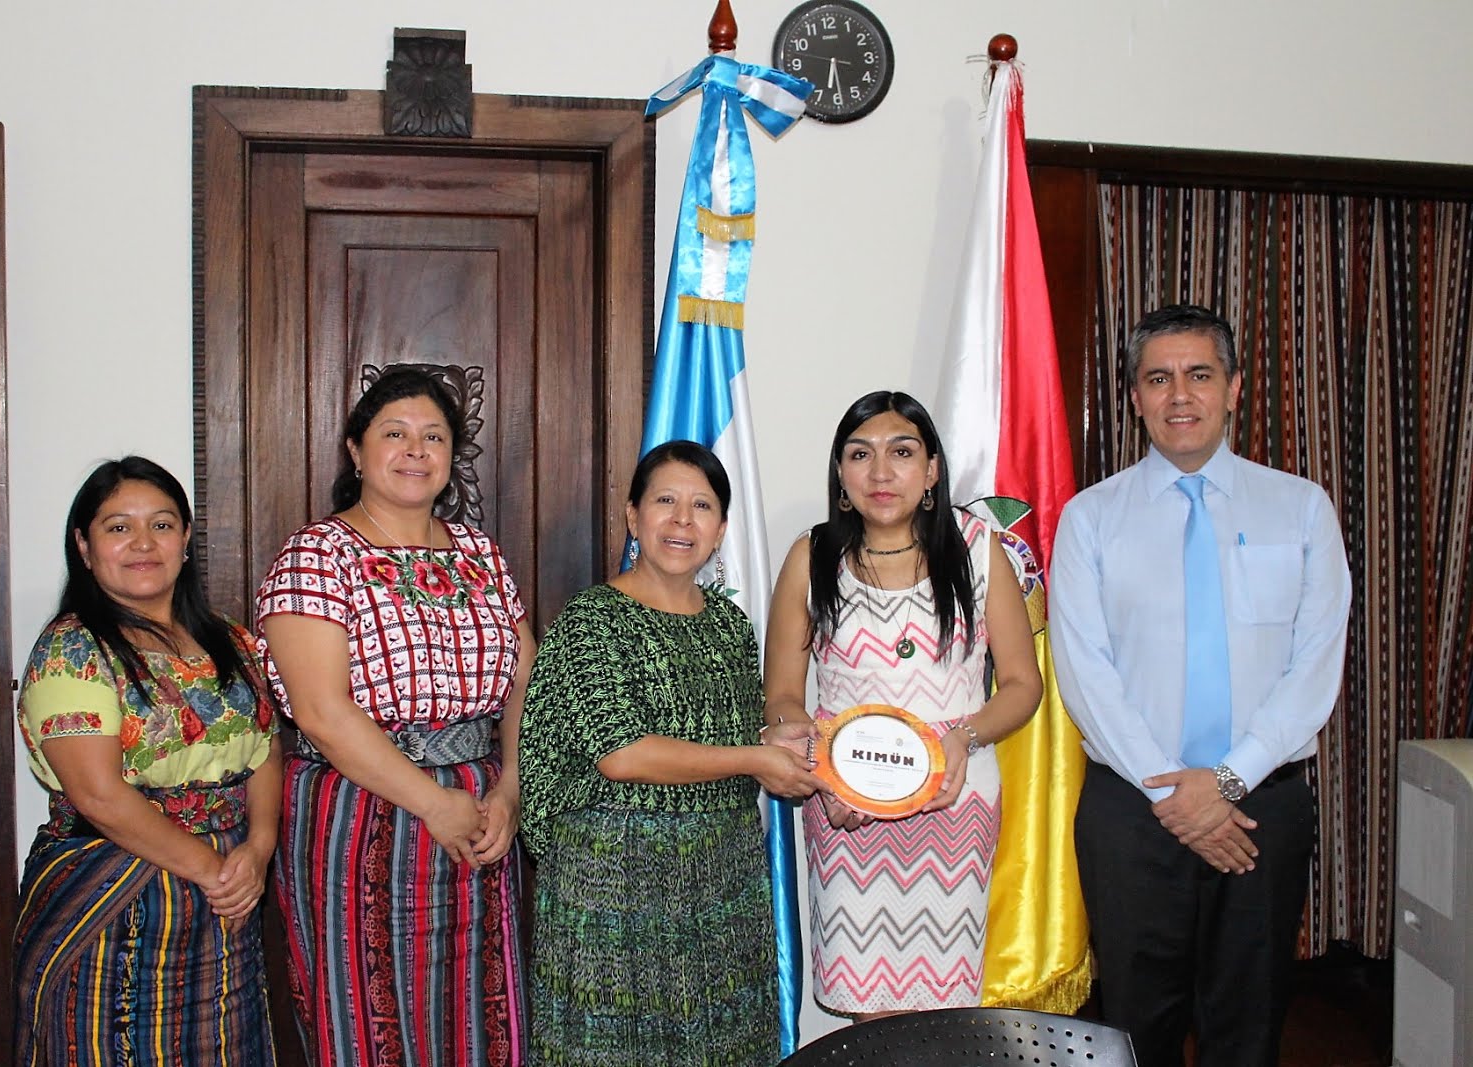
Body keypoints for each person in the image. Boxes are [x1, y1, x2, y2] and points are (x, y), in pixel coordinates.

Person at [1048, 304, 1351, 1067]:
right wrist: (1175, 796)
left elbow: (1313, 667)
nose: (1179, 395)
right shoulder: (1090, 519)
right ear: (1135, 398)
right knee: (1134, 1029)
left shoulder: (1301, 507)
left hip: (1263, 806)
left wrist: (1226, 780)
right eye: (1158, 378)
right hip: (1131, 812)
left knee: (1248, 1026)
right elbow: (1087, 674)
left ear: (1234, 387)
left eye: (1199, 374)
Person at [257, 367, 531, 1066]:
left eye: (433, 436)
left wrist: (509, 791)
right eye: (395, 433)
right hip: (361, 813)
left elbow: (527, 680)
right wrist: (432, 803)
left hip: (479, 817)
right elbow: (320, 711)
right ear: (356, 450)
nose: (416, 450)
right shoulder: (318, 553)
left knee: (479, 1018)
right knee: (367, 1017)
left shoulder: (481, 555)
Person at [518, 440, 822, 1066]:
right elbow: (621, 754)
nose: (682, 521)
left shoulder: (730, 624)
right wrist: (754, 760)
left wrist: (785, 749)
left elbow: (735, 739)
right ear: (633, 517)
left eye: (702, 506)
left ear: (721, 529)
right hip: (614, 882)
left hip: (721, 881)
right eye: (665, 502)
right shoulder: (593, 619)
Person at [763, 390, 1042, 1019]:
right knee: (872, 1021)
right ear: (840, 473)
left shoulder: (977, 548)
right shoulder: (812, 558)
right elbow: (782, 696)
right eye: (860, 454)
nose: (881, 472)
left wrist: (962, 739)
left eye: (902, 452)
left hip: (954, 798)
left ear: (933, 470)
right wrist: (821, 770)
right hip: (846, 808)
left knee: (941, 1018)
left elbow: (1023, 686)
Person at [13, 456, 280, 1065]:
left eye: (161, 525)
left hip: (226, 898)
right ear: (84, 546)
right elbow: (99, 796)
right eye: (117, 527)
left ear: (186, 540)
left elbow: (265, 750)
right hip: (111, 894)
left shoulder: (230, 640)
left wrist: (259, 849)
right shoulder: (72, 649)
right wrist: (216, 875)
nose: (142, 543)